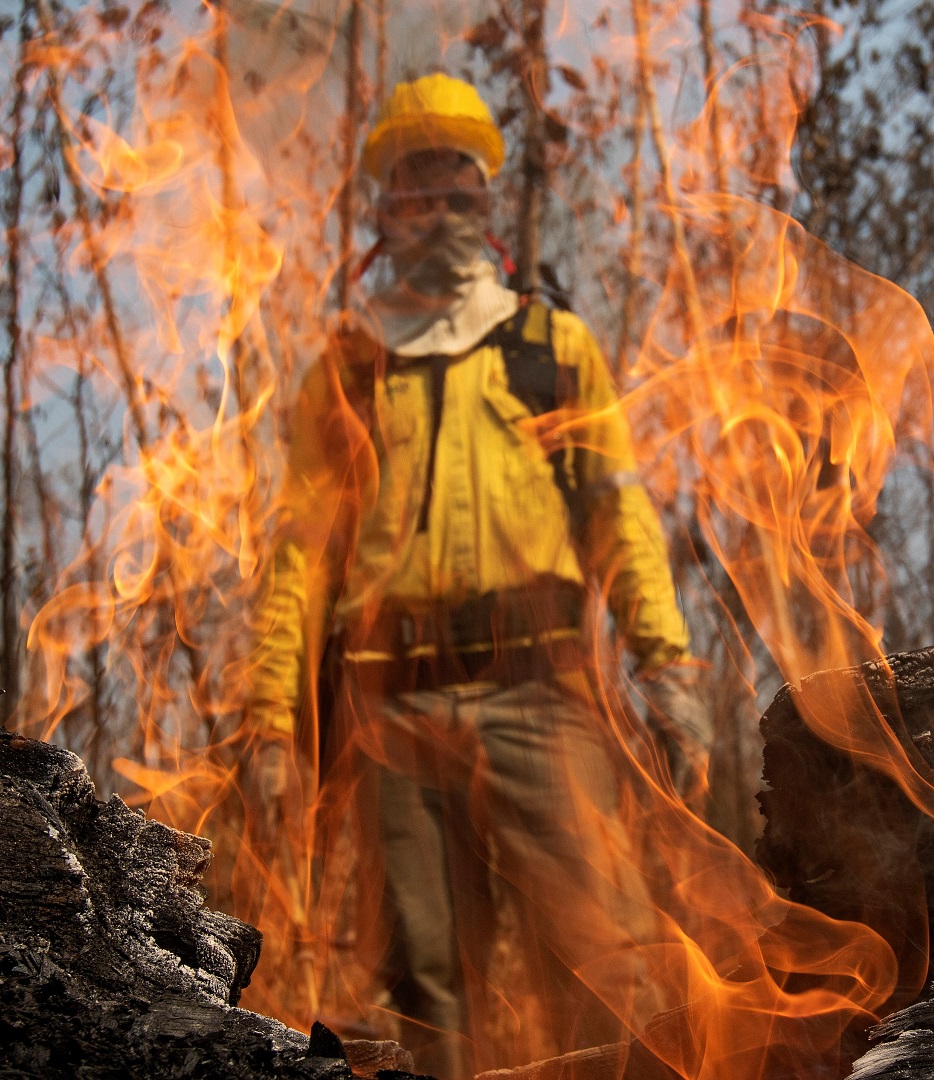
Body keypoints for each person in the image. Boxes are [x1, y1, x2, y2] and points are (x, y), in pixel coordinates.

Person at [242, 73, 712, 1079]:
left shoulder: (552, 346)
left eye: (459, 189)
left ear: (487, 200)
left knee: (602, 960)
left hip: (543, 695)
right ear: (385, 206)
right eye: (417, 190)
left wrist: (666, 662)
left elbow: (619, 513)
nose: (440, 209)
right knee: (423, 990)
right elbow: (299, 556)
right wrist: (271, 720)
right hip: (392, 714)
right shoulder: (348, 368)